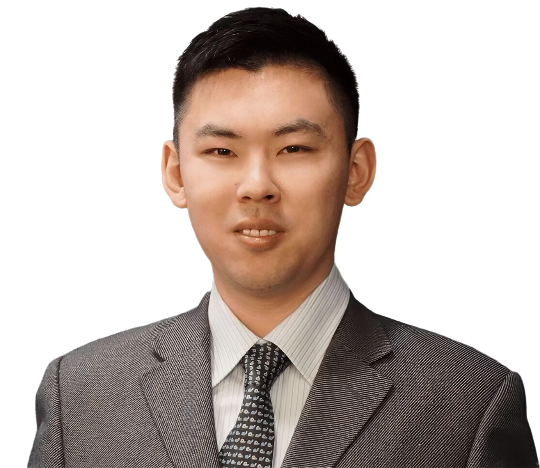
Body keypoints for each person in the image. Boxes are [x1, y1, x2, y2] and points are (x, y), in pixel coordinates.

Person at [28, 7, 537, 468]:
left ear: (357, 171)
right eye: (222, 151)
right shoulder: (81, 393)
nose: (257, 186)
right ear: (176, 173)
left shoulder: (469, 401)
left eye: (293, 149)